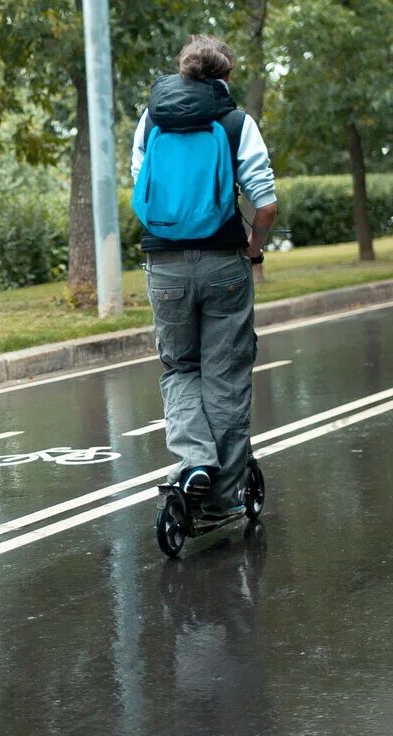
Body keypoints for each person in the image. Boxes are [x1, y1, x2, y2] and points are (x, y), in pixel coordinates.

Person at [130, 34, 278, 518]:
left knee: (179, 367)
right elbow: (266, 202)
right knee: (226, 377)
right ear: (226, 76)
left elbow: (141, 181)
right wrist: (254, 252)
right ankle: (219, 501)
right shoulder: (235, 122)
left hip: (164, 263)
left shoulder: (152, 120)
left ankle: (193, 461)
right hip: (223, 261)